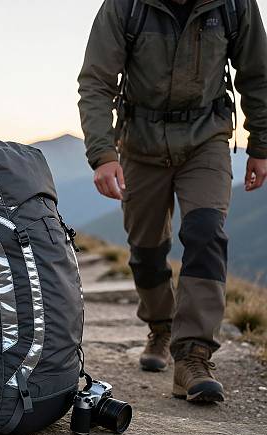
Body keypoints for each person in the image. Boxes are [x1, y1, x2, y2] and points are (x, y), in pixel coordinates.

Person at [78, 0, 267, 403]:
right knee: (147, 251)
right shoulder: (125, 7)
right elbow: (96, 81)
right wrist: (103, 154)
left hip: (206, 140)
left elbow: (257, 75)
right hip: (139, 144)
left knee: (205, 232)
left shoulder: (234, 5)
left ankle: (193, 355)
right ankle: (161, 327)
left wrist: (261, 145)